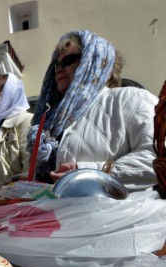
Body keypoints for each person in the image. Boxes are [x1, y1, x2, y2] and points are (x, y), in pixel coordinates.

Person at [28, 30, 158, 192]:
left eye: (67, 60)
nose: (58, 69)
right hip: (66, 215)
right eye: (56, 64)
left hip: (121, 215)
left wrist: (90, 173)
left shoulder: (130, 98)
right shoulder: (54, 119)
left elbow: (159, 158)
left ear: (95, 61)